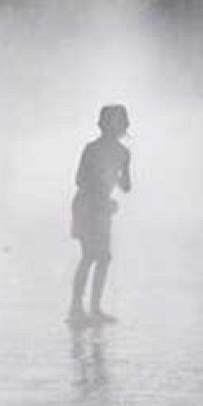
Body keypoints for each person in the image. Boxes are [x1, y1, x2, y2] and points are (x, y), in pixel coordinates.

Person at [68, 105, 132, 326]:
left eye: (118, 123)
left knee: (103, 257)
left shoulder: (124, 153)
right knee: (90, 256)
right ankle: (76, 308)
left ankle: (94, 308)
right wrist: (102, 193)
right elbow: (79, 179)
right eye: (111, 122)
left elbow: (126, 186)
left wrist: (121, 175)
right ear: (102, 124)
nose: (114, 128)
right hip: (87, 205)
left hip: (102, 208)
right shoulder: (92, 149)